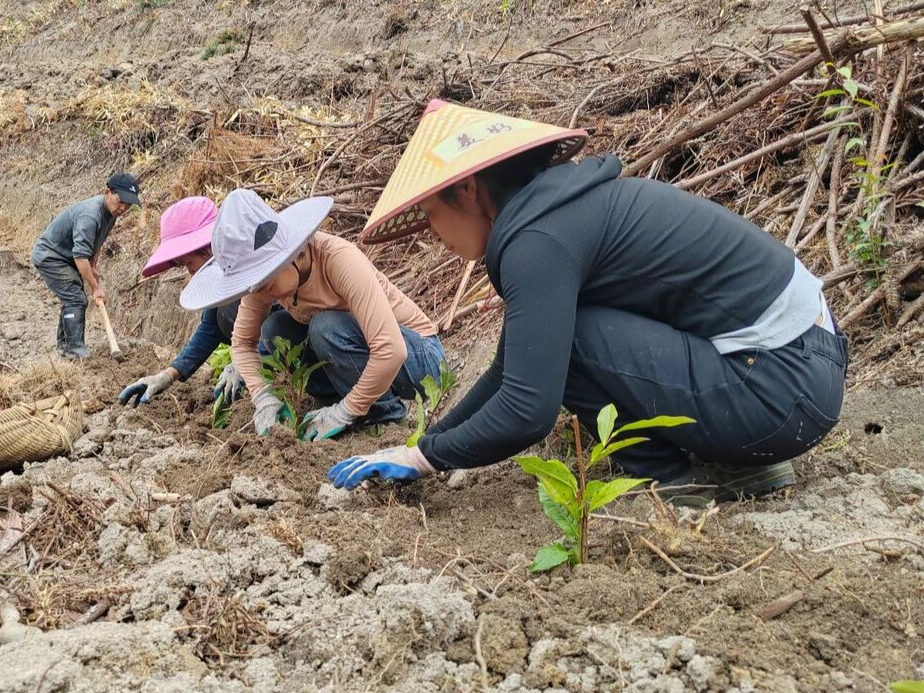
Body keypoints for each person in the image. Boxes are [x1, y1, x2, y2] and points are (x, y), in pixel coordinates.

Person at [328, 100, 847, 504]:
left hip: (778, 389)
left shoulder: (538, 242)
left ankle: (675, 480)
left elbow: (527, 408)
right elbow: (508, 369)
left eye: (429, 213)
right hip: (799, 370)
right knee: (569, 337)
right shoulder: (559, 215)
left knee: (572, 341)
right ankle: (741, 461)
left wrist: (426, 457)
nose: (431, 233)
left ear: (466, 190)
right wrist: (429, 442)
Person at [179, 189, 445, 441]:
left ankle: (384, 417)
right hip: (365, 358)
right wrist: (263, 397)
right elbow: (243, 343)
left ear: (292, 255)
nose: (261, 294)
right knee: (274, 328)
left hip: (421, 360)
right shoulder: (262, 286)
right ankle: (335, 402)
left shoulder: (337, 259)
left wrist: (346, 411)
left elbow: (392, 350)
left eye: (266, 284)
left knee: (325, 326)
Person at [117, 196, 270, 407]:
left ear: (210, 246)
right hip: (259, 342)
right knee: (221, 315)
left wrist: (243, 363)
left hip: (295, 343)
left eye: (189, 263)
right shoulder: (220, 276)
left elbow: (279, 324)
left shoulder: (258, 260)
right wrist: (167, 375)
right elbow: (210, 328)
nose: (189, 272)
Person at [32, 173, 141, 358]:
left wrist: (94, 265)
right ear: (107, 192)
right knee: (76, 298)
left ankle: (64, 346)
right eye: (121, 201)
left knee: (72, 297)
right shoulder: (90, 216)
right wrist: (95, 287)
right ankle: (75, 350)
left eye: (128, 205)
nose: (123, 208)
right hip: (51, 256)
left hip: (66, 255)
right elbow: (80, 255)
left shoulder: (112, 212)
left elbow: (97, 242)